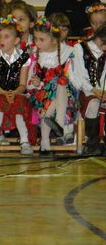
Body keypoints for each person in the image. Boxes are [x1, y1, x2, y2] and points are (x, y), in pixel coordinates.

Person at [0, 15, 33, 156]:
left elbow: (22, 84)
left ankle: (24, 141)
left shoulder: (24, 57)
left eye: (6, 37)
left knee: (19, 104)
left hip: (17, 92)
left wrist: (14, 93)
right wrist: (5, 93)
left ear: (16, 40)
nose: (1, 40)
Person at [27, 16, 78, 155]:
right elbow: (28, 83)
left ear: (54, 40)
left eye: (41, 40)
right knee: (54, 92)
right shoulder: (34, 54)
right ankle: (58, 123)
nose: (37, 43)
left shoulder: (68, 53)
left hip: (68, 96)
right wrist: (37, 83)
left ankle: (45, 142)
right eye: (35, 39)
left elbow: (75, 80)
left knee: (61, 81)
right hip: (41, 96)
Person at [73, 24, 106, 154]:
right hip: (84, 90)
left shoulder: (103, 52)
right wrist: (93, 90)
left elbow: (104, 76)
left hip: (100, 90)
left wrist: (103, 91)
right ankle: (93, 142)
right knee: (94, 104)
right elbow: (80, 76)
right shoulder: (79, 48)